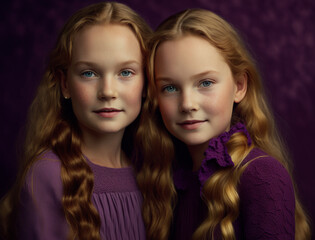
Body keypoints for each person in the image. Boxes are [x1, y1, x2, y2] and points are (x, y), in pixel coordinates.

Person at [143, 8, 311, 240]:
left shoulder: (261, 176)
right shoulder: (167, 177)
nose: (187, 104)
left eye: (205, 82)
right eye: (169, 88)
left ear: (239, 86)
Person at [0, 2, 152, 239]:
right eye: (89, 73)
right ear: (65, 84)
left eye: (125, 72)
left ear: (146, 82)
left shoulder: (151, 170)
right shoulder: (48, 174)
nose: (108, 91)